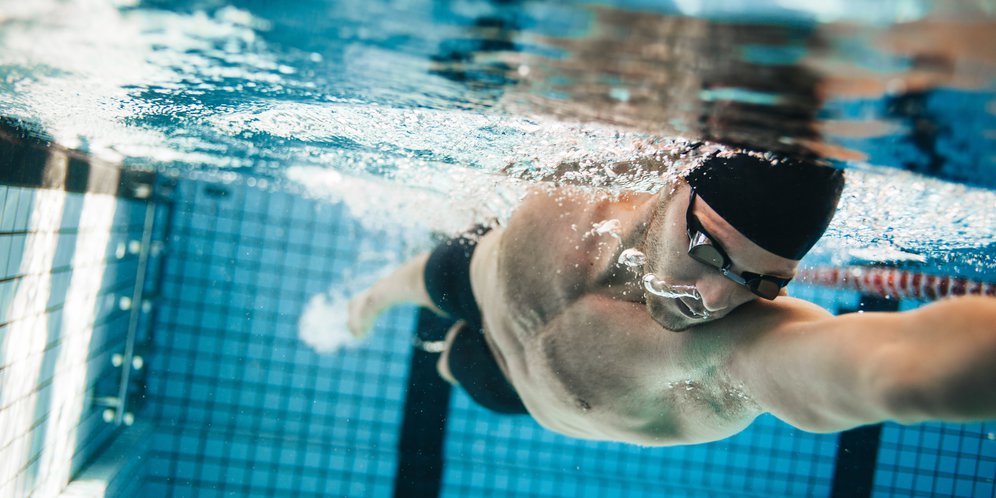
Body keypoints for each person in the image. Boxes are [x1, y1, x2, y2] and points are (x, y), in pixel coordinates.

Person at [347, 151, 996, 446]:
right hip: (478, 276)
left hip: (514, 390)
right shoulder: (591, 165)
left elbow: (889, 365)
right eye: (711, 251)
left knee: (452, 360)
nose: (715, 298)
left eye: (760, 282)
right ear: (675, 183)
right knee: (428, 275)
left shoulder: (731, 352)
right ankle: (369, 303)